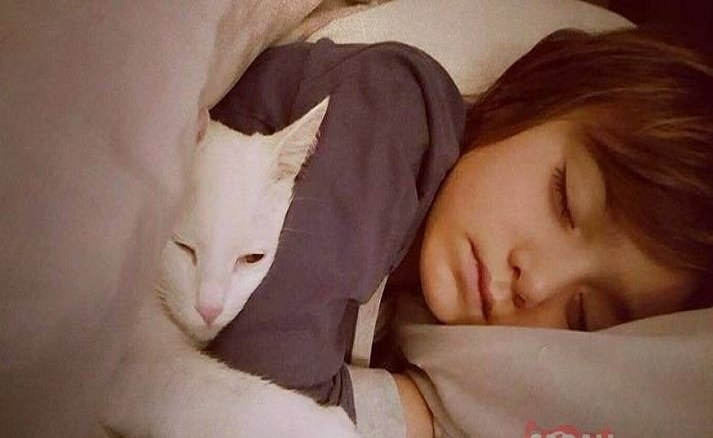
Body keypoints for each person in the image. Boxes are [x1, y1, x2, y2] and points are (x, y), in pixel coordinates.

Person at [207, 29, 713, 438]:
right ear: (528, 102)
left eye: (583, 317)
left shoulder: (420, 327)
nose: (537, 285)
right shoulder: (394, 109)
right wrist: (415, 415)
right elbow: (257, 399)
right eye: (566, 199)